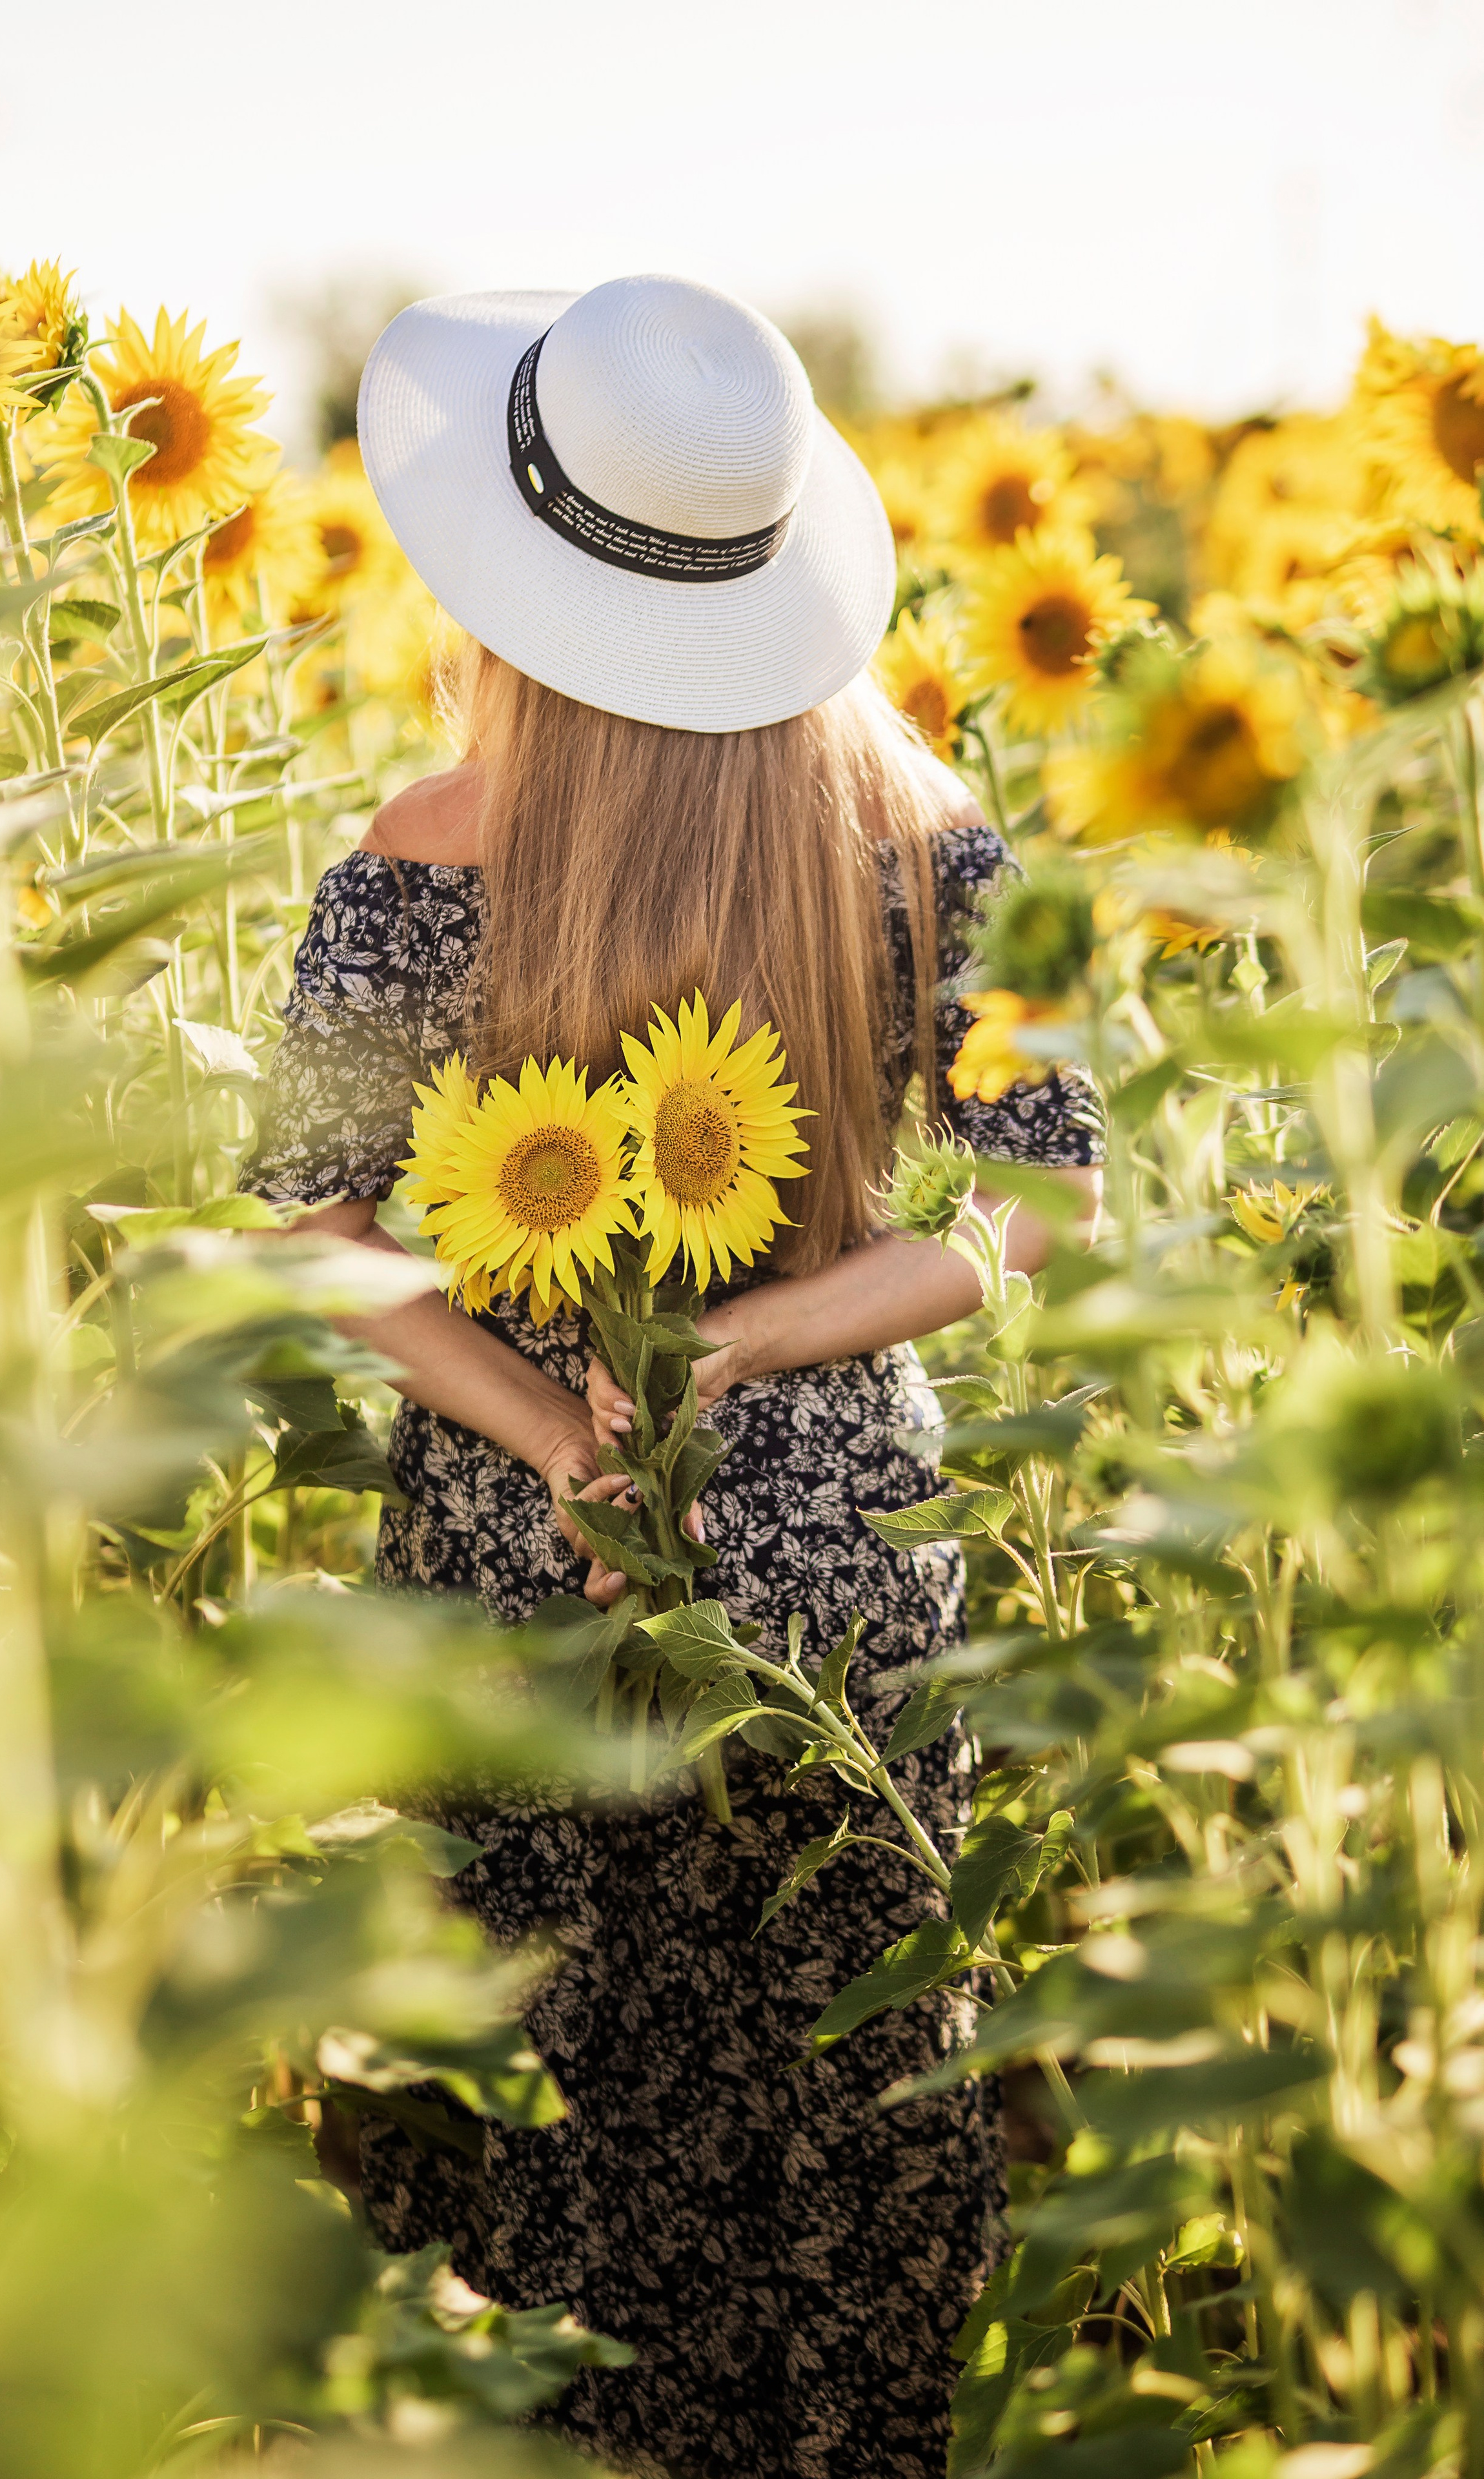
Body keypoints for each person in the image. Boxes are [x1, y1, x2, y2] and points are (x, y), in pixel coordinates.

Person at [242, 274, 1101, 2479]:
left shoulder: (418, 861)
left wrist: (558, 1424)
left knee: (548, 2107)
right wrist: (767, 1337)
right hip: (839, 1555)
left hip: (518, 1575)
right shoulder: (924, 842)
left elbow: (316, 1242)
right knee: (841, 2106)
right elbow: (1043, 1204)